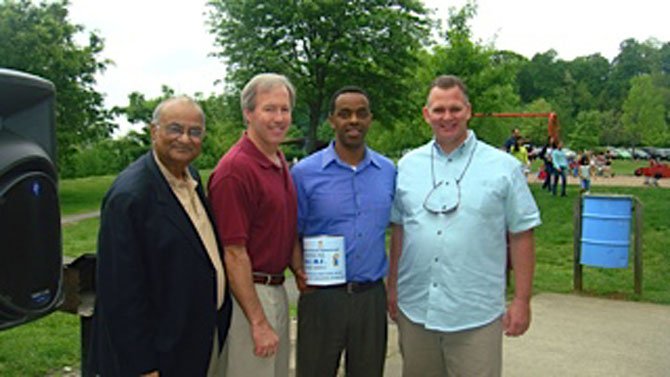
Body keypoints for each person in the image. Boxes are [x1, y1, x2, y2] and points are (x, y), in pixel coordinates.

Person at [387, 75, 541, 377]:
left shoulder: (503, 167)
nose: (447, 117)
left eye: (455, 109)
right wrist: (392, 286)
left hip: (475, 313)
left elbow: (522, 234)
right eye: (439, 110)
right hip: (416, 308)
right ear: (426, 114)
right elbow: (400, 230)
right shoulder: (407, 166)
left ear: (469, 111)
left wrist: (521, 300)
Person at [87, 96, 232, 376]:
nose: (185, 139)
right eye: (175, 129)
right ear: (154, 132)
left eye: (195, 132)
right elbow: (120, 292)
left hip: (194, 341)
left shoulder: (189, 175)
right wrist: (142, 366)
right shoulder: (130, 197)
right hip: (160, 354)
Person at [291, 86, 395, 377]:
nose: (353, 120)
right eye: (344, 114)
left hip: (370, 297)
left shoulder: (387, 171)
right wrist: (298, 269)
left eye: (361, 113)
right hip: (321, 297)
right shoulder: (304, 173)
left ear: (370, 119)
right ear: (331, 120)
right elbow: (291, 231)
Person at [208, 73, 298, 377]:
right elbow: (233, 253)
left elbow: (280, 227)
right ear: (248, 113)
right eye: (269, 109)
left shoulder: (276, 159)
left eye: (284, 110)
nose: (279, 118)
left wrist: (300, 271)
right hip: (249, 297)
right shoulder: (235, 171)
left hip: (276, 289)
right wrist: (258, 323)